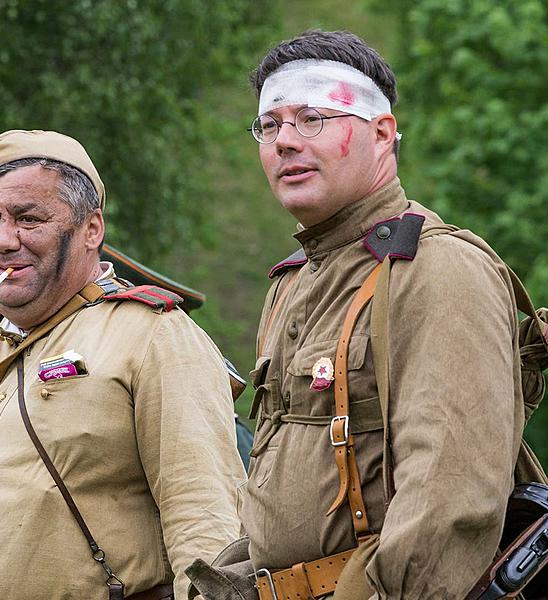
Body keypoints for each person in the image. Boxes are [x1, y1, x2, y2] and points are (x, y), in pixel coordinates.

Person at [187, 30, 526, 599]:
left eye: (313, 118)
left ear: (383, 134)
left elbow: (450, 501)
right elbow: (276, 500)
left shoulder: (436, 269)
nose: (285, 142)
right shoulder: (295, 282)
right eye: (269, 126)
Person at [0, 129, 245, 600]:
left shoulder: (155, 336)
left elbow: (205, 518)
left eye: (29, 218)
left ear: (92, 230)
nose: (3, 241)